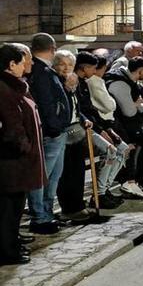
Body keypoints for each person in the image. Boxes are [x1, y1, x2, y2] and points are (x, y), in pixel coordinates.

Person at [0, 44, 43, 264]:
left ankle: (12, 243)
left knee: (15, 208)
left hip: (18, 161)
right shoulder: (5, 90)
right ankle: (7, 250)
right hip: (11, 161)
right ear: (11, 64)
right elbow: (12, 125)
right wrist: (24, 146)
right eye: (21, 62)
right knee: (8, 209)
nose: (25, 65)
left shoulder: (15, 87)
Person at [86, 56, 143, 200]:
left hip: (107, 122)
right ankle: (101, 191)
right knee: (113, 152)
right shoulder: (94, 82)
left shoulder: (99, 81)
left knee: (122, 151)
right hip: (103, 124)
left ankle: (105, 189)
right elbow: (109, 105)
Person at [26, 33, 69, 235]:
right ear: (52, 48)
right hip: (52, 133)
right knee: (42, 176)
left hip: (57, 131)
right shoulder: (41, 71)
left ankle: (47, 212)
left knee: (53, 176)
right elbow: (45, 103)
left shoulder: (44, 70)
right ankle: (40, 216)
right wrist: (55, 127)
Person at [105, 58, 143, 187]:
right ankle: (135, 179)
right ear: (140, 70)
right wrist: (136, 105)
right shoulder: (121, 84)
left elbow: (142, 106)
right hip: (124, 125)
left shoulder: (133, 83)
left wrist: (137, 105)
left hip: (135, 122)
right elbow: (130, 111)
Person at [54, 51, 95, 223]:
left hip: (77, 132)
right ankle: (69, 208)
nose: (66, 68)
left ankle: (78, 205)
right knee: (66, 175)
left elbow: (77, 109)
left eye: (69, 65)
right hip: (63, 133)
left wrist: (84, 120)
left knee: (77, 172)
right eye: (62, 64)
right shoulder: (56, 83)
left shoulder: (73, 82)